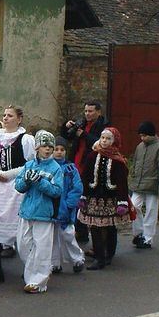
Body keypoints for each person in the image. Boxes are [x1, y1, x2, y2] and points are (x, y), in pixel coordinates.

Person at [0, 106, 35, 284]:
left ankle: (29, 269)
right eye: (4, 115)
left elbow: (32, 163)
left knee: (21, 229)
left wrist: (11, 174)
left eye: (10, 116)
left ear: (19, 119)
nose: (5, 118)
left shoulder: (26, 139)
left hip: (17, 187)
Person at [14, 131, 63, 293]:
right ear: (37, 147)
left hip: (44, 213)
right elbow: (18, 186)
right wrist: (27, 180)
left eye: (50, 146)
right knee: (23, 245)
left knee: (42, 247)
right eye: (44, 146)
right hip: (27, 211)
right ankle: (33, 270)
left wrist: (40, 181)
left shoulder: (56, 169)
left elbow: (57, 191)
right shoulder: (29, 165)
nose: (48, 150)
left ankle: (38, 281)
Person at [77, 127, 132, 270]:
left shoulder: (117, 160)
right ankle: (99, 257)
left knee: (109, 227)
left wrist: (122, 202)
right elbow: (85, 176)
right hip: (94, 198)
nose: (104, 141)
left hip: (110, 199)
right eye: (102, 138)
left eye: (108, 139)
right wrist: (83, 195)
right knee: (94, 227)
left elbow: (121, 183)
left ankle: (109, 253)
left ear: (114, 141)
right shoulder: (92, 156)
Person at [61, 100, 108, 242]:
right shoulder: (81, 123)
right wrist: (66, 126)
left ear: (98, 112)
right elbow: (66, 137)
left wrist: (83, 135)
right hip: (75, 164)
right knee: (76, 198)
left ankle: (88, 233)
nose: (87, 114)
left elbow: (99, 143)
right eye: (86, 111)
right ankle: (80, 231)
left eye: (91, 111)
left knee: (86, 200)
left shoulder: (104, 126)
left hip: (90, 167)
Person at [129, 121, 159, 249]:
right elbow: (135, 164)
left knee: (151, 211)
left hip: (153, 185)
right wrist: (132, 179)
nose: (142, 138)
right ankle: (138, 233)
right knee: (134, 207)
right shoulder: (140, 147)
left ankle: (148, 238)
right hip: (138, 184)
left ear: (152, 134)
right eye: (141, 136)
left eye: (145, 135)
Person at [51, 137, 85, 274]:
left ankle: (77, 259)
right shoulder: (49, 167)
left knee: (68, 235)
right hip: (52, 209)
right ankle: (55, 263)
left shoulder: (71, 169)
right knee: (53, 238)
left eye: (62, 150)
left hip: (66, 209)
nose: (59, 152)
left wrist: (69, 204)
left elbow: (77, 188)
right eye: (56, 149)